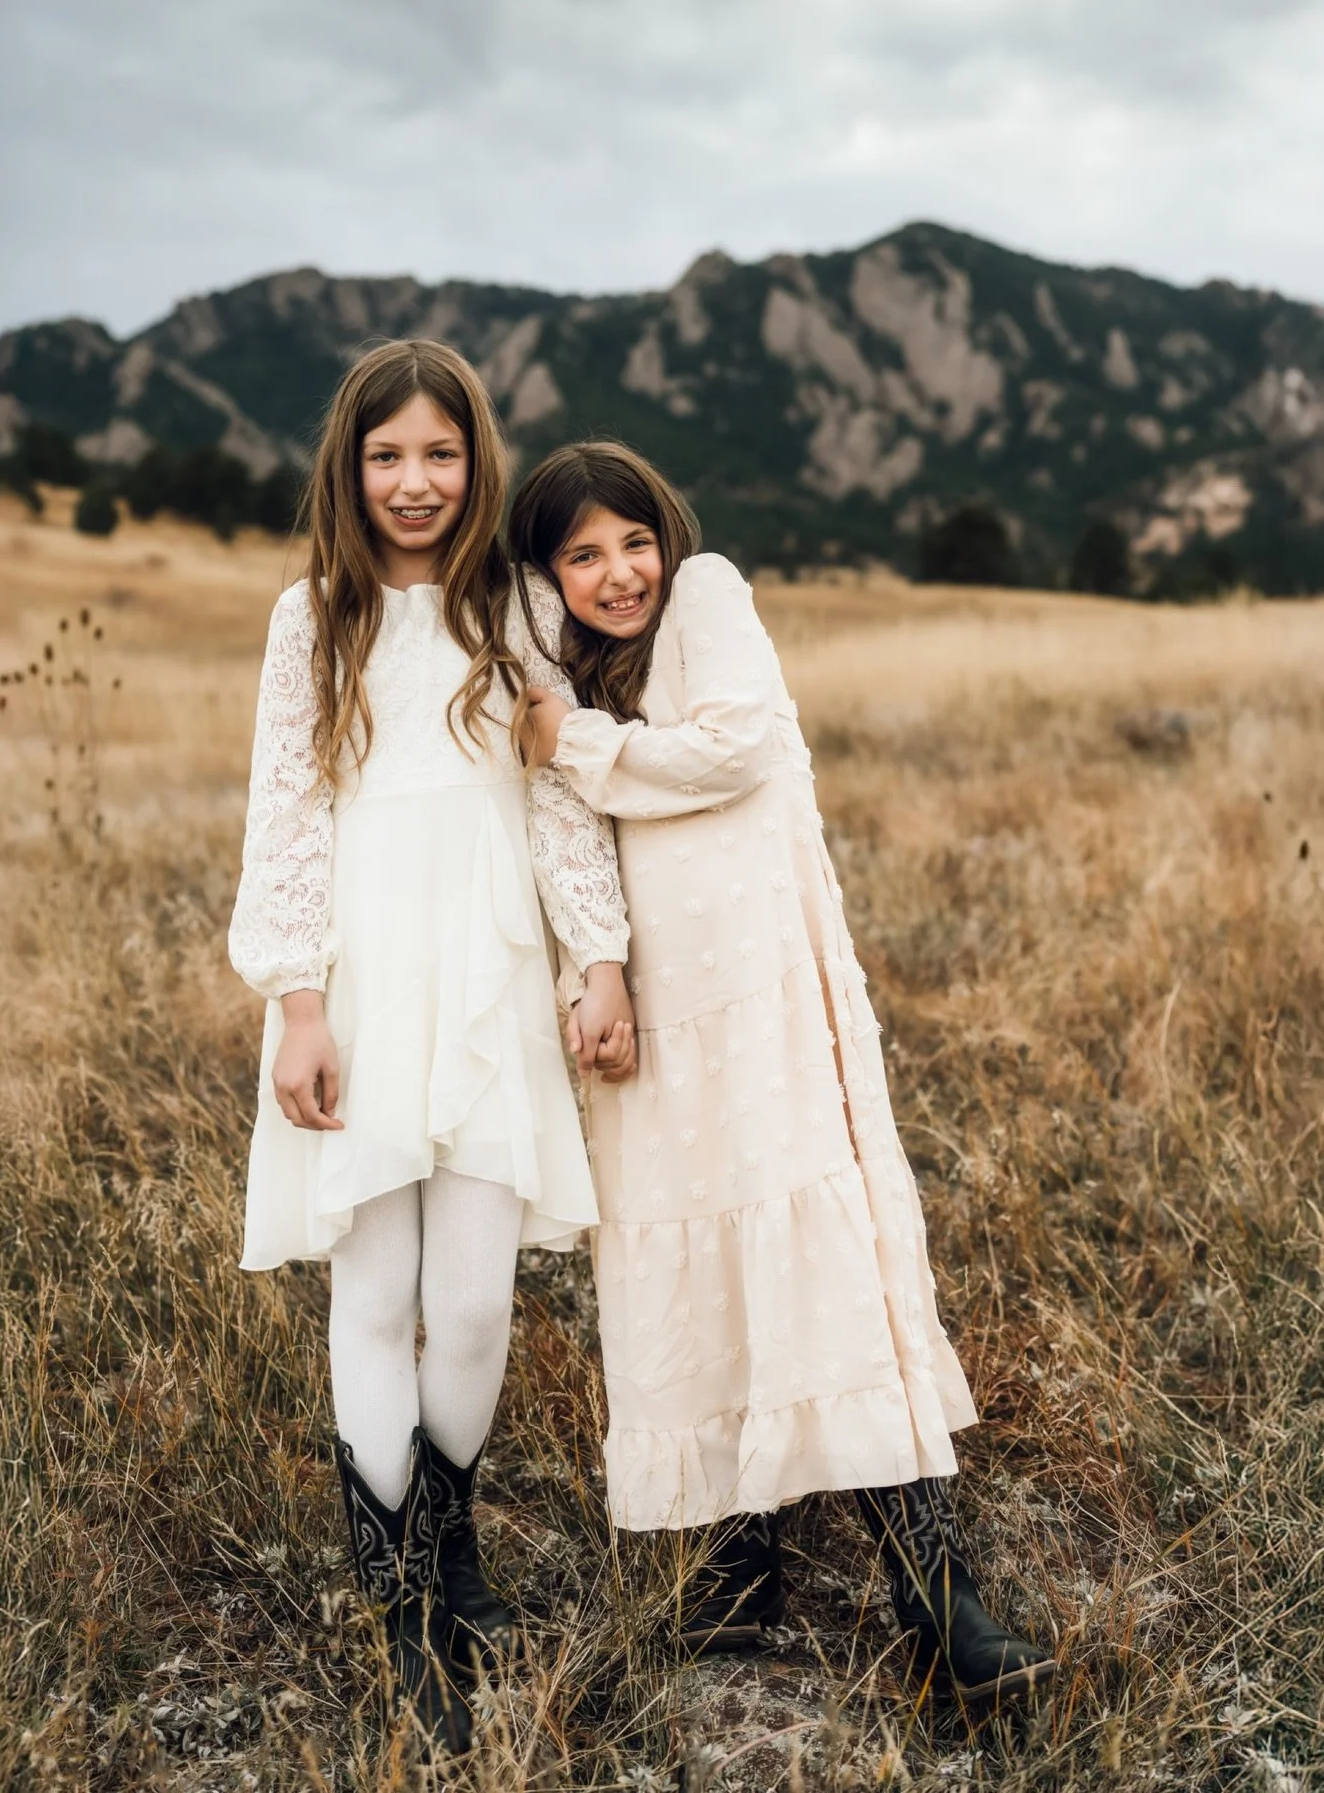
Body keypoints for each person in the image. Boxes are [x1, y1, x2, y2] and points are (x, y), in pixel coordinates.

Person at [510, 441, 1056, 1704]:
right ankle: (739, 1560)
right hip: (655, 1013)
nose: (619, 572)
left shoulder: (710, 598)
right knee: (692, 1268)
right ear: (546, 576)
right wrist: (593, 972)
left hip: (762, 999)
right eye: (580, 555)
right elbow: (566, 846)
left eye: (631, 539)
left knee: (820, 1275)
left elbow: (734, 749)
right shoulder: (560, 671)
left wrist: (578, 745)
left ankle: (942, 1608)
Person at [227, 343, 634, 1755]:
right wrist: (296, 998)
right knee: (375, 1284)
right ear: (351, 468)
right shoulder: (314, 618)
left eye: (441, 454)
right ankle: (399, 1593)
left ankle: (451, 1531)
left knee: (470, 1301)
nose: (415, 481)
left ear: (478, 464)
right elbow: (286, 808)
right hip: (363, 977)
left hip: (492, 976)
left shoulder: (515, 607)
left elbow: (557, 802)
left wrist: (598, 959)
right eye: (387, 456)